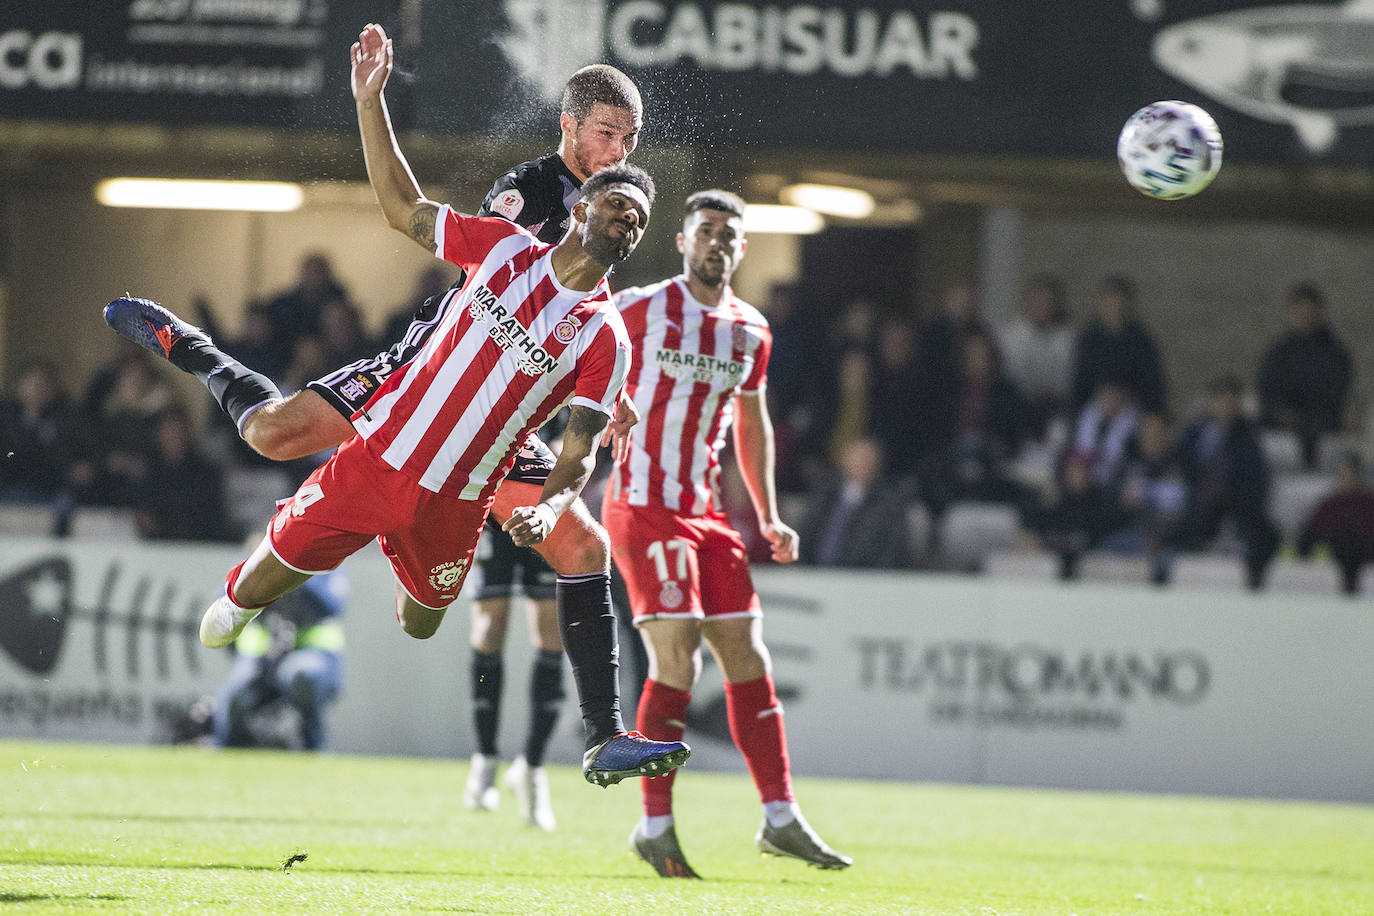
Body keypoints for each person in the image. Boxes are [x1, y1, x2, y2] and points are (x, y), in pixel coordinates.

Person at [102, 22, 687, 788]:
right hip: (425, 378)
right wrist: (369, 100)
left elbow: (587, 336)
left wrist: (609, 404)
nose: (618, 152)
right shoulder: (525, 205)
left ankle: (597, 729)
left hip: (497, 429)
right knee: (276, 434)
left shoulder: (606, 304)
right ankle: (193, 350)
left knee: (559, 557)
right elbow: (455, 255)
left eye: (630, 139)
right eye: (607, 134)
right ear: (569, 125)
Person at [605, 189, 852, 878]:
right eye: (705, 229)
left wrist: (768, 514)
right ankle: (654, 824)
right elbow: (577, 356)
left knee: (747, 655)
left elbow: (752, 424)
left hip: (707, 512)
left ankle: (780, 817)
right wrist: (594, 417)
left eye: (728, 233)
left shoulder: (751, 330)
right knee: (678, 656)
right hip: (642, 504)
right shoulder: (640, 308)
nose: (716, 240)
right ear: (683, 241)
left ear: (742, 249)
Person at [213, 568, 347, 750]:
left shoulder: (324, 563)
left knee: (302, 676)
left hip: (310, 655)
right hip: (261, 658)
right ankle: (227, 752)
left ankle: (314, 749)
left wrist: (296, 575)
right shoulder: (256, 561)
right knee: (234, 699)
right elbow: (224, 608)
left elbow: (333, 606)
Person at [1168, 374, 1280, 590]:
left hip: (1234, 504)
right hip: (1198, 505)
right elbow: (1180, 464)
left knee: (1264, 537)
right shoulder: (1194, 432)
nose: (1226, 406)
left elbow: (1254, 476)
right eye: (1221, 401)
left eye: (1231, 401)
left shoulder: (1248, 435)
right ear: (1212, 402)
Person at [1256, 282, 1353, 470]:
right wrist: (1283, 414)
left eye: (1310, 309)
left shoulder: (1334, 353)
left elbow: (1337, 391)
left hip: (1322, 423)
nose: (1305, 315)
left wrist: (1310, 418)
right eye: (1299, 309)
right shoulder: (1278, 352)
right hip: (1280, 424)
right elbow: (1267, 390)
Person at [800, 436, 914, 569]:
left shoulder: (890, 505)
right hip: (811, 572)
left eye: (868, 459)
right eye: (858, 457)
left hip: (858, 578)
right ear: (845, 459)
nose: (863, 463)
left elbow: (889, 553)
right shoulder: (825, 495)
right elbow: (804, 533)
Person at [1071, 275, 1166, 414]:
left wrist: (1125, 396)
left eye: (1117, 301)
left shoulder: (1140, 339)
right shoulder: (1089, 338)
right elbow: (1081, 380)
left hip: (1130, 407)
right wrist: (1099, 395)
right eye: (1109, 301)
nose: (1113, 307)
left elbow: (1151, 381)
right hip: (1095, 406)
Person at [1297, 452, 1374, 595]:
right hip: (1332, 560)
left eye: (1347, 476)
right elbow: (1309, 533)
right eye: (1341, 476)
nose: (1343, 480)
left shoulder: (1369, 504)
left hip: (1364, 560)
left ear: (1358, 477)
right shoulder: (1328, 505)